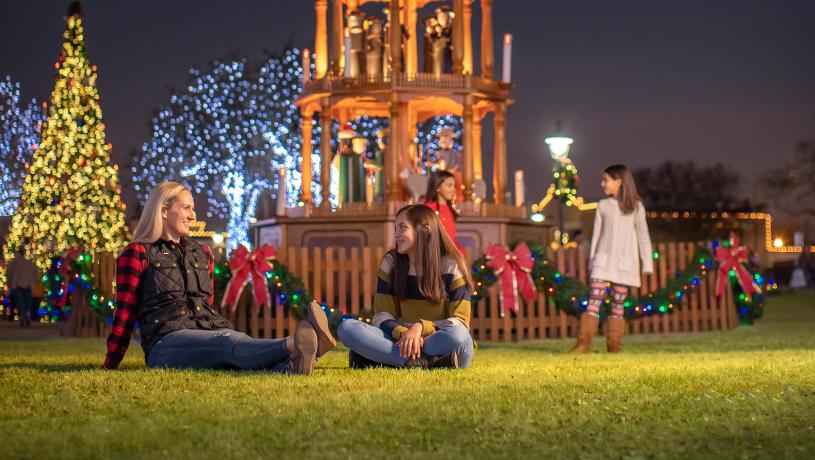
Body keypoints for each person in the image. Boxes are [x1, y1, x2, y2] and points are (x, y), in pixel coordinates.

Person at [103, 182, 335, 374]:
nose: (193, 215)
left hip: (206, 334)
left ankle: (292, 367)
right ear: (164, 211)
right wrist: (110, 363)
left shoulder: (202, 253)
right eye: (186, 208)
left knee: (230, 341)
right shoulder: (137, 253)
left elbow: (206, 306)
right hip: (165, 344)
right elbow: (124, 314)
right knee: (225, 343)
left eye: (192, 209)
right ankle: (294, 344)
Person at [337, 205, 474, 369]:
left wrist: (420, 327)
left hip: (437, 339)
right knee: (347, 328)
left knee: (459, 336)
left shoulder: (451, 266)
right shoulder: (391, 263)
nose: (396, 234)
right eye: (395, 228)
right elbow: (382, 316)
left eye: (402, 228)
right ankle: (422, 363)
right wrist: (404, 334)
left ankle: (382, 357)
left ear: (424, 230)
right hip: (399, 338)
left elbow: (460, 321)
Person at [571, 165, 653, 353]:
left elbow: (643, 236)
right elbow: (597, 236)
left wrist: (646, 263)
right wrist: (593, 262)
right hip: (602, 261)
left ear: (619, 182)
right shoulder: (603, 205)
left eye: (606, 180)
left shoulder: (636, 207)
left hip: (624, 264)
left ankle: (614, 344)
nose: (602, 184)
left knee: (618, 302)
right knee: (594, 299)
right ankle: (583, 343)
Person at [423, 170, 462, 251]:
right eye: (449, 186)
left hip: (451, 249)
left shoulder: (449, 208)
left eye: (454, 186)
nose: (453, 190)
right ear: (437, 187)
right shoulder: (428, 209)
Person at [6, 247, 40, 327]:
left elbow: (8, 273)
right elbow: (37, 275)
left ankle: (23, 316)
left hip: (18, 285)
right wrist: (33, 283)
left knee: (20, 302)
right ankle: (26, 315)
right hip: (27, 285)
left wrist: (10, 283)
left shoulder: (14, 263)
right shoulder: (29, 263)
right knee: (27, 302)